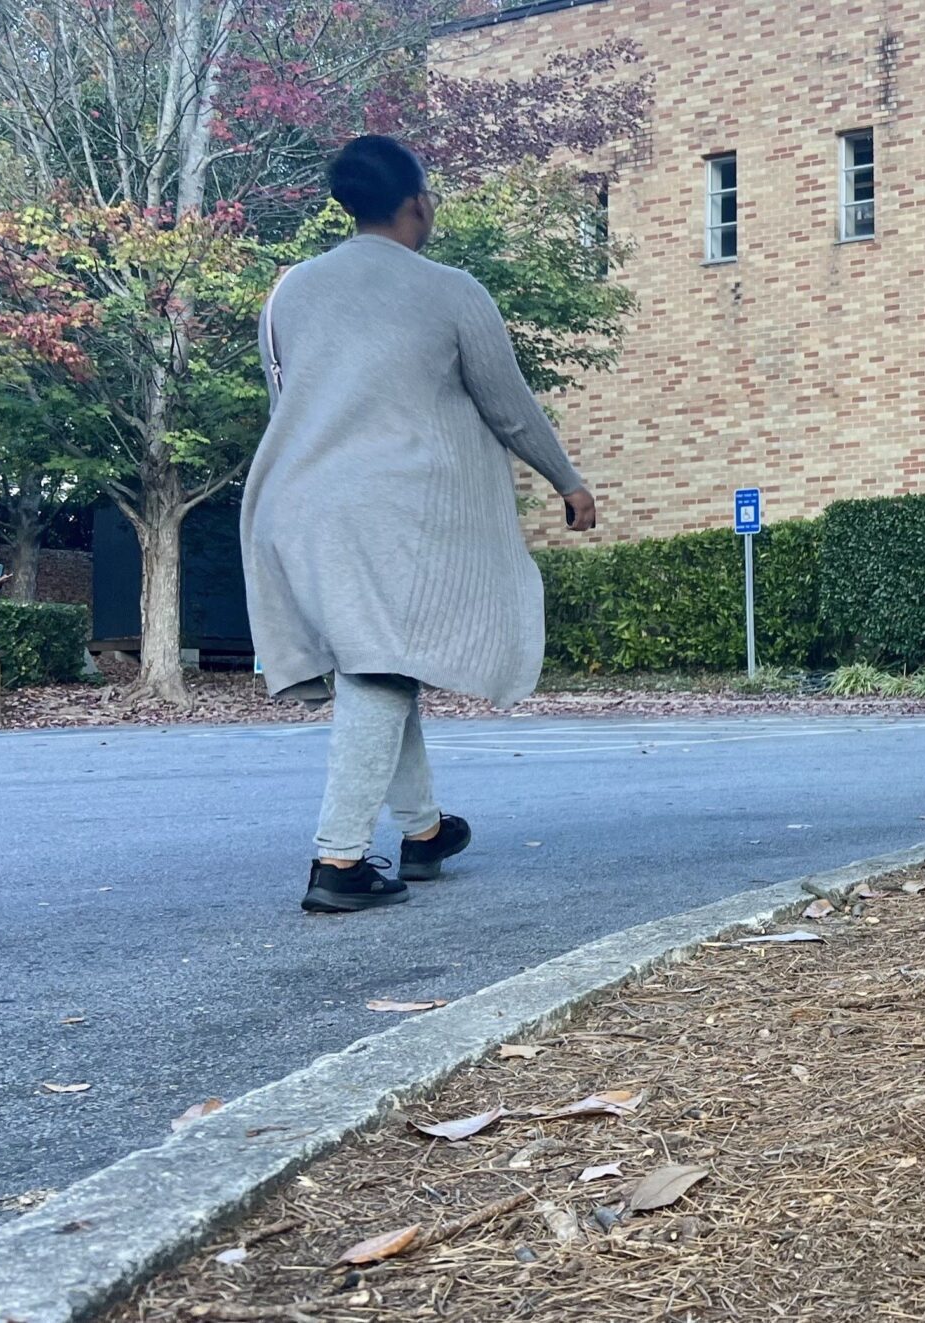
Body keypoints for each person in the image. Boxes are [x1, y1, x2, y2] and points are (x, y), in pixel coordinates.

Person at [242, 136, 599, 915]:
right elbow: (507, 404)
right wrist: (567, 480)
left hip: (292, 502)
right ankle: (338, 860)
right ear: (418, 203)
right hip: (393, 507)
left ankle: (426, 830)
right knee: (378, 666)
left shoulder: (289, 292)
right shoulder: (450, 289)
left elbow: (288, 405)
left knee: (380, 657)